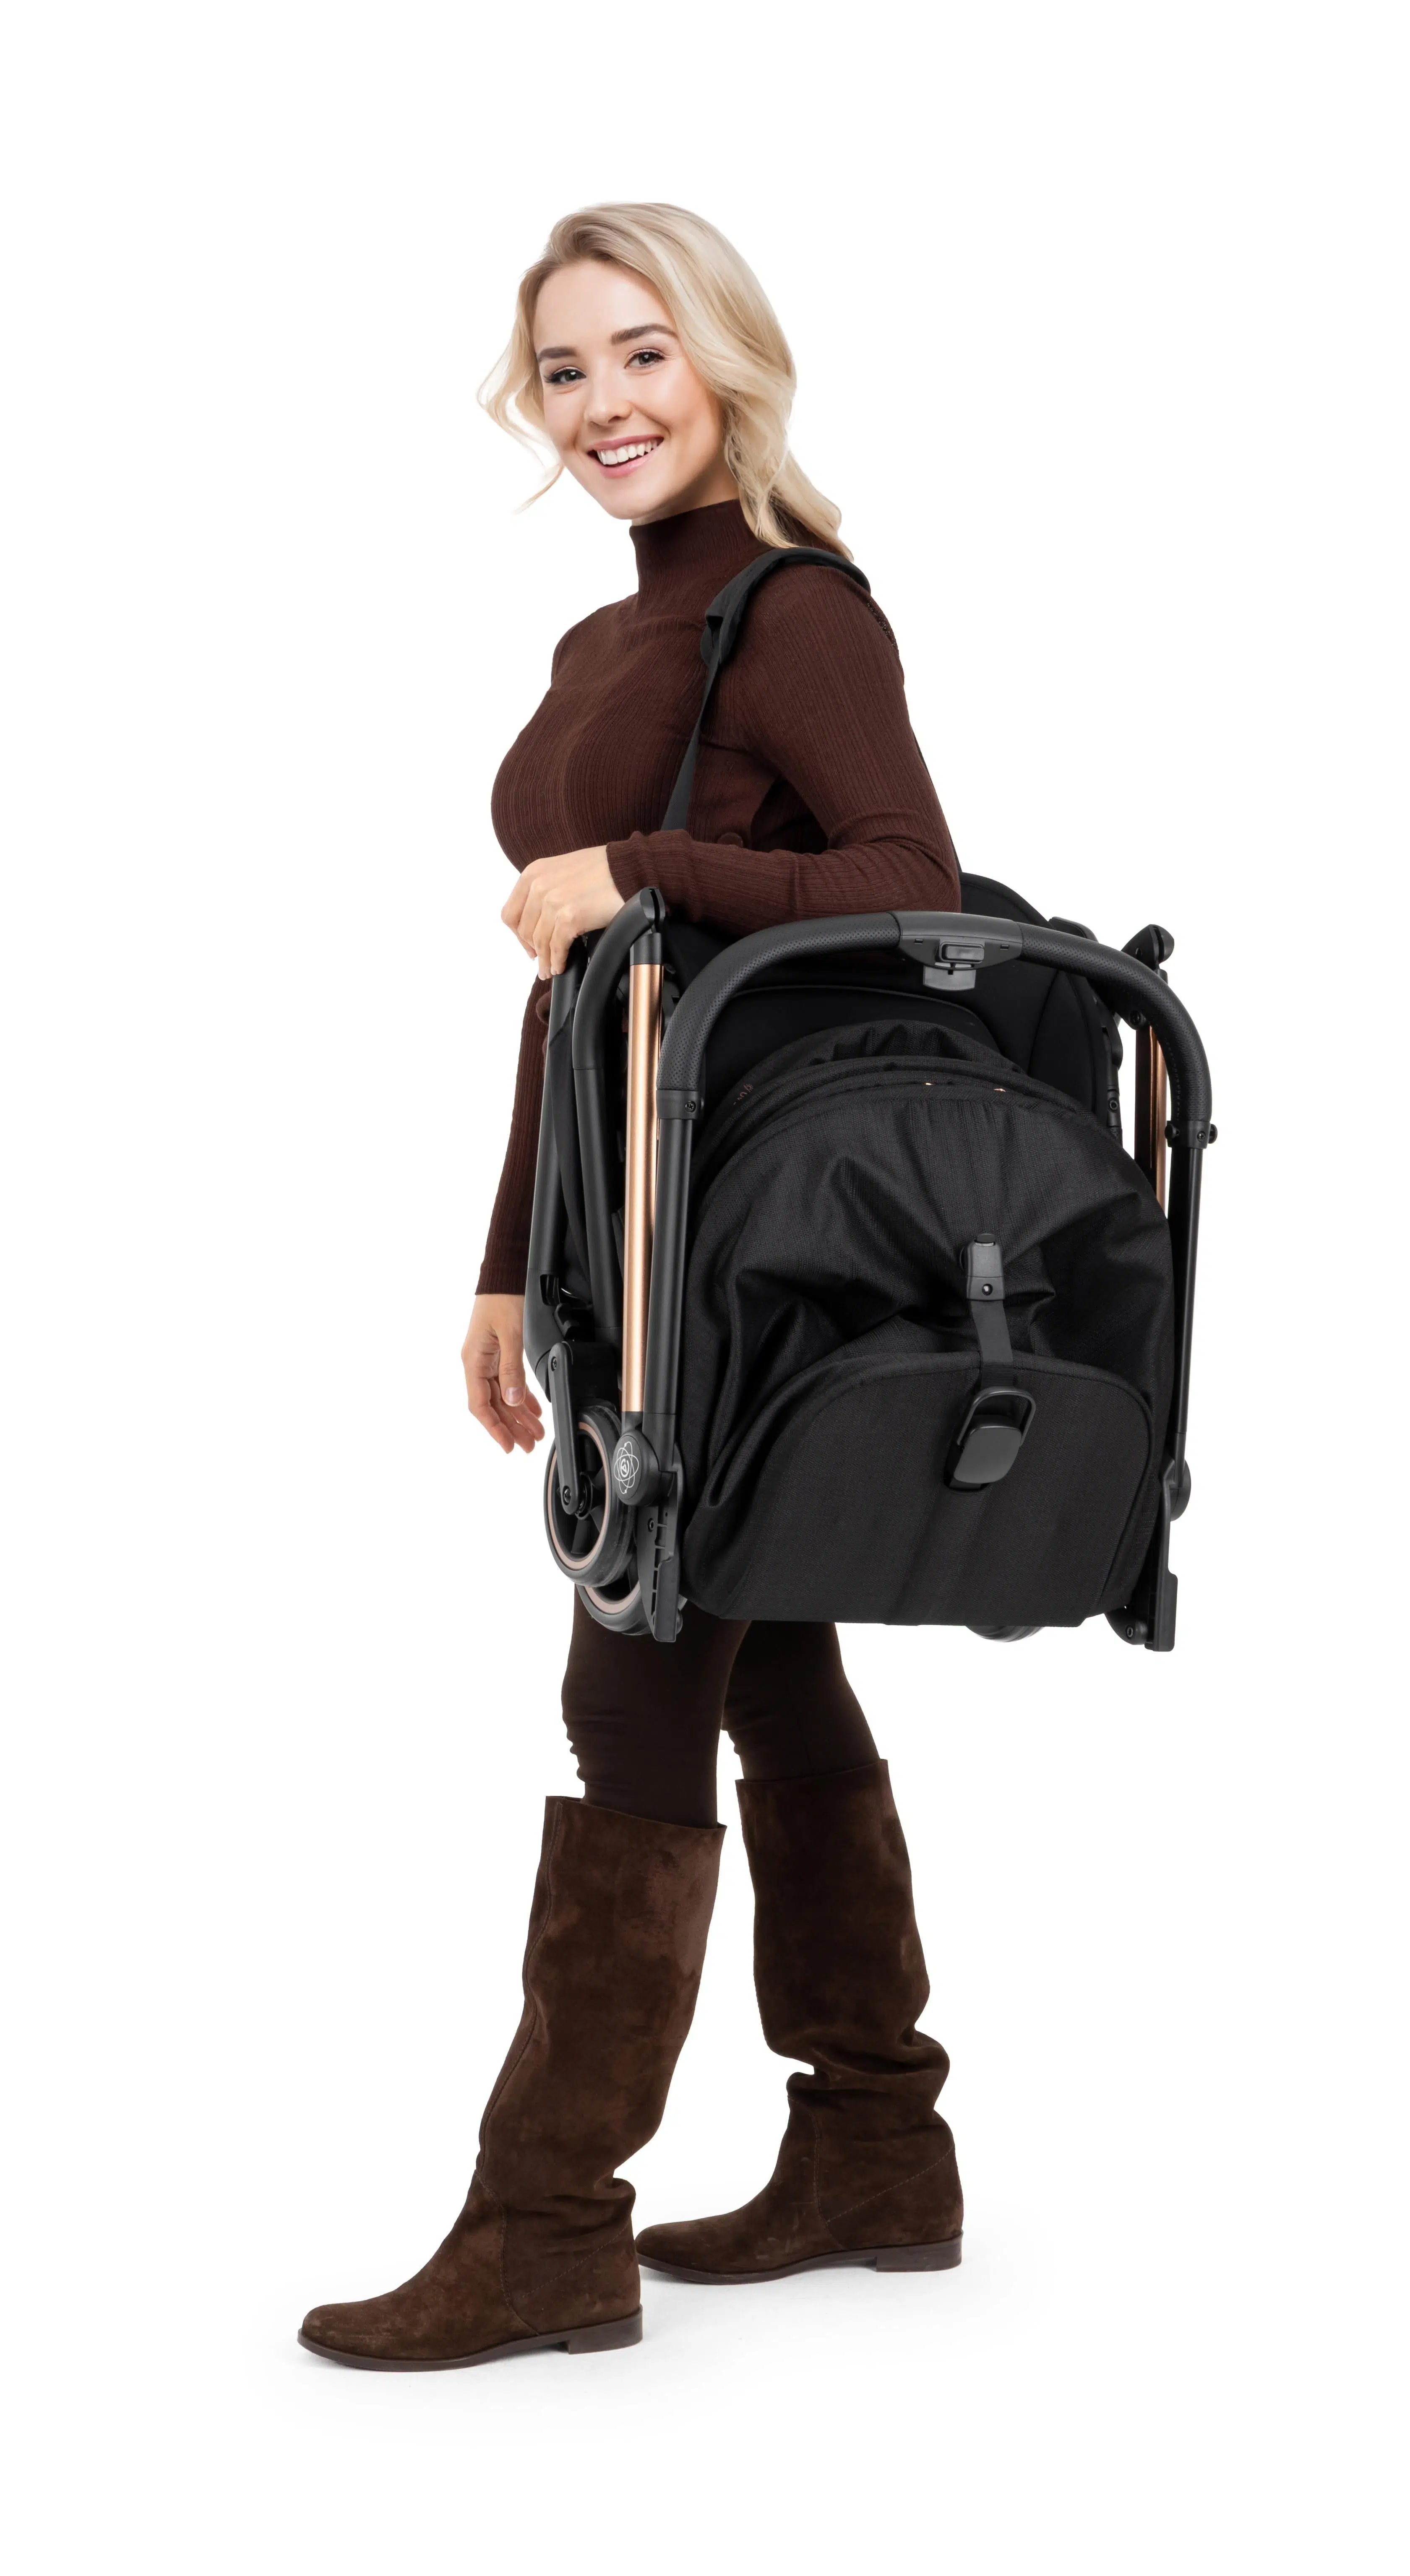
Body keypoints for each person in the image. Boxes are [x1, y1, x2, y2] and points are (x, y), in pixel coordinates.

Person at [299, 203, 965, 2373]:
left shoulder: (794, 609)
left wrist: (640, 864)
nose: (603, 402)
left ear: (730, 359)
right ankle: (877, 2147)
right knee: (772, 1670)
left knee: (640, 1678)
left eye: (642, 352)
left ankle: (546, 2222)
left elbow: (911, 881)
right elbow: (591, 994)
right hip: (640, 1237)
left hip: (755, 1256)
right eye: (566, 368)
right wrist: (514, 1261)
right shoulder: (621, 631)